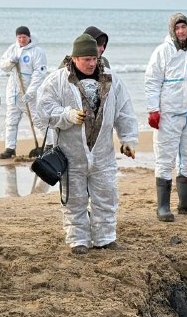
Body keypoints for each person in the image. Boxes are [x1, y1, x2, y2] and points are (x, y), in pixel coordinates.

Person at [37, 34, 138, 254]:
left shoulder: (112, 80)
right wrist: (67, 115)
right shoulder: (57, 80)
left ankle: (105, 237)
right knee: (74, 199)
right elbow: (43, 111)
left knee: (106, 195)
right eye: (86, 59)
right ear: (74, 58)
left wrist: (127, 140)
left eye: (94, 58)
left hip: (102, 152)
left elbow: (124, 112)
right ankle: (78, 240)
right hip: (70, 153)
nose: (92, 63)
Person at [145, 13, 187, 221]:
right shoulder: (162, 51)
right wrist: (153, 110)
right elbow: (152, 81)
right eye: (177, 28)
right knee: (165, 156)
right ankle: (163, 206)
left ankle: (186, 203)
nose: (181, 31)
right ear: (172, 30)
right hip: (169, 113)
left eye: (184, 27)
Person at [0, 26, 49, 159]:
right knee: (11, 121)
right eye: (19, 37)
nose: (21, 40)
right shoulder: (12, 49)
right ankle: (10, 148)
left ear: (29, 37)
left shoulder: (37, 51)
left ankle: (50, 144)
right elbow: (3, 66)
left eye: (24, 37)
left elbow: (40, 73)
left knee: (37, 120)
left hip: (30, 94)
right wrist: (10, 61)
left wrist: (31, 92)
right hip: (13, 93)